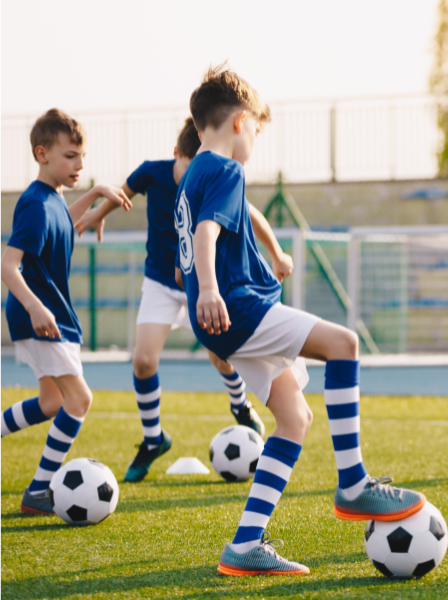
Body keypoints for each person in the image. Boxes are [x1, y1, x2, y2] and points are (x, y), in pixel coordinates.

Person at [176, 64, 425, 576]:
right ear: (241, 122)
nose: (255, 144)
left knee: (295, 419)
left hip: (224, 319)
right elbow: (205, 234)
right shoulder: (226, 168)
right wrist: (209, 288)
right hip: (240, 308)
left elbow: (222, 226)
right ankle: (354, 483)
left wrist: (246, 266)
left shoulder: (195, 172)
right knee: (345, 343)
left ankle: (245, 544)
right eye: (259, 133)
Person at [75, 117, 278, 483]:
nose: (189, 173)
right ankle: (153, 439)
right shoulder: (153, 173)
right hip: (159, 282)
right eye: (186, 164)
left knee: (221, 356)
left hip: (201, 284)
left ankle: (239, 404)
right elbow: (122, 194)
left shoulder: (208, 177)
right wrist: (94, 216)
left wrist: (276, 254)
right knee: (143, 361)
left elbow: (249, 212)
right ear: (176, 156)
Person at [0, 109, 132, 514]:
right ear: (42, 154)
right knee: (80, 399)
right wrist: (35, 306)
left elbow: (65, 223)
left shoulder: (53, 200)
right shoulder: (35, 205)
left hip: (53, 316)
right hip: (40, 317)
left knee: (52, 402)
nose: (79, 164)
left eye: (82, 157)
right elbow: (7, 264)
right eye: (70, 156)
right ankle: (39, 490)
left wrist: (93, 197)